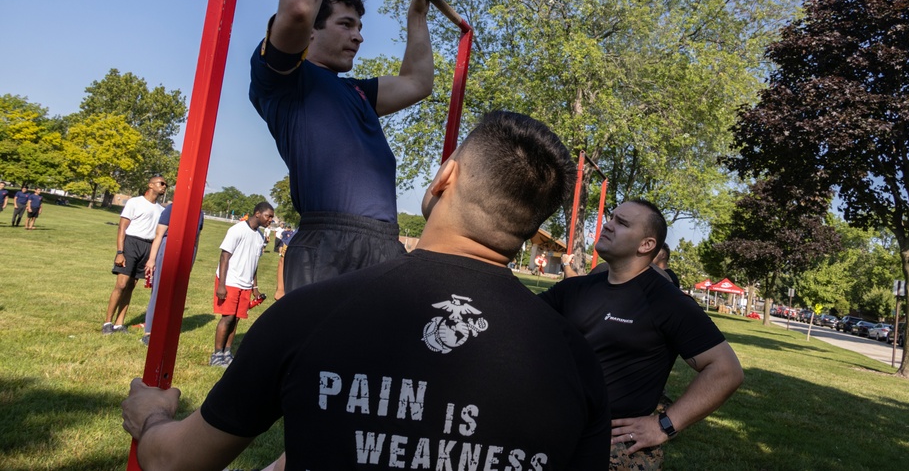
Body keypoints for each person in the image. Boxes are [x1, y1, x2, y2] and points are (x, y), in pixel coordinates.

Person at [122, 111, 611, 470]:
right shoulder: (574, 358)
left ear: (446, 178)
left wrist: (151, 418)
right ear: (535, 222)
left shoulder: (312, 314)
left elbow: (177, 462)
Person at [250, 0, 437, 292]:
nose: (358, 37)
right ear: (312, 34)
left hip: (385, 243)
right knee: (320, 352)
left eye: (360, 27)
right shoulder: (286, 80)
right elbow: (300, 10)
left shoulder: (357, 92)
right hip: (329, 246)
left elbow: (418, 82)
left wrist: (417, 16)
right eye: (346, 24)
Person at [540, 199, 744, 470]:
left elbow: (727, 370)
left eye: (621, 223)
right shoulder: (575, 289)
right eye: (611, 218)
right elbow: (522, 319)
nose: (607, 226)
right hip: (553, 430)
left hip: (612, 446)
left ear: (646, 245)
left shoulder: (667, 302)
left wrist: (665, 425)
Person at [210, 202, 274, 367]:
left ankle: (227, 352)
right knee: (228, 317)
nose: (271, 220)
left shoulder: (260, 236)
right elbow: (225, 257)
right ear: (258, 213)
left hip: (245, 284)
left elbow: (254, 264)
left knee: (236, 319)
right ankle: (216, 354)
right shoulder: (237, 230)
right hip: (230, 281)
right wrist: (222, 285)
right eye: (269, 216)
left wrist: (255, 287)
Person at [102, 176, 167, 334]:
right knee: (121, 285)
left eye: (166, 185)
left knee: (131, 286)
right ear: (150, 185)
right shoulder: (135, 202)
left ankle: (119, 323)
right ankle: (107, 323)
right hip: (131, 243)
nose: (165, 186)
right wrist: (120, 252)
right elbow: (122, 228)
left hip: (147, 246)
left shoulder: (161, 210)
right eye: (162, 183)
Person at [141, 203, 205, 346]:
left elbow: (196, 239)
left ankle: (167, 329)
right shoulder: (173, 208)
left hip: (187, 251)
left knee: (176, 294)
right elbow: (159, 234)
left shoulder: (200, 213)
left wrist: (191, 261)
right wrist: (151, 259)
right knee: (159, 290)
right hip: (168, 247)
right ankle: (149, 331)